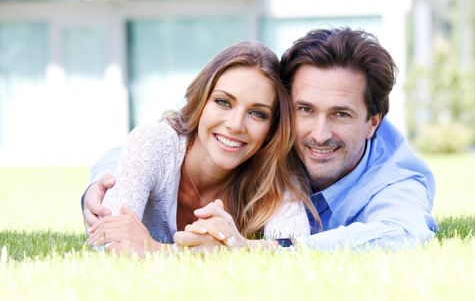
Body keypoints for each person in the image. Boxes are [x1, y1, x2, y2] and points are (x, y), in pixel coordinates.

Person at [84, 27, 437, 251]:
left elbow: (403, 234)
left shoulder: (395, 178)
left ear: (373, 122)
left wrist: (256, 251)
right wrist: (102, 187)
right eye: (305, 109)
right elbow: (150, 147)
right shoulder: (274, 149)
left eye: (341, 114)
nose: (319, 133)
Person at [85, 41, 318, 256]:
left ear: (272, 127)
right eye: (223, 102)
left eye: (257, 113)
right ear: (201, 100)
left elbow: (294, 250)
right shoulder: (154, 143)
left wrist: (156, 250)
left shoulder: (275, 171)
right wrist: (215, 253)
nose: (235, 125)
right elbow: (106, 239)